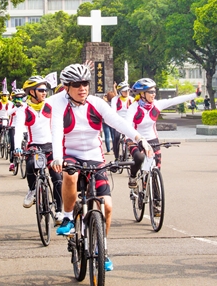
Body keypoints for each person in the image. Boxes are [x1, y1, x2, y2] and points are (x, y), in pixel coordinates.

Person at [49, 63, 152, 272]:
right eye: (76, 84)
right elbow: (57, 130)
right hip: (71, 155)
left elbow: (117, 122)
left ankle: (101, 248)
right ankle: (68, 217)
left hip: (95, 157)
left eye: (85, 83)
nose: (82, 88)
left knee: (107, 206)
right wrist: (58, 158)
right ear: (66, 87)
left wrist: (139, 138)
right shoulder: (60, 105)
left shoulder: (96, 103)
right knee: (70, 176)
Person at [125, 78, 200, 190]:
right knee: (139, 157)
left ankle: (155, 201)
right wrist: (132, 139)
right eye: (150, 92)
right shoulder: (133, 108)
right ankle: (133, 176)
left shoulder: (157, 105)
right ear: (142, 94)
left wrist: (195, 94)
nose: (153, 94)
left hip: (152, 139)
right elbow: (126, 126)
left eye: (154, 91)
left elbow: (176, 100)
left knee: (156, 169)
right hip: (135, 139)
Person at [13, 77, 64, 223]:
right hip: (34, 146)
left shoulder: (49, 104)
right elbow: (18, 129)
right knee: (30, 165)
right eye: (41, 90)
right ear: (31, 92)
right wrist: (17, 147)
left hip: (51, 146)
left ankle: (59, 211)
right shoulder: (23, 109)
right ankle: (32, 191)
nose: (44, 93)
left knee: (57, 178)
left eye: (45, 90)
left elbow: (64, 92)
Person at [109, 81, 134, 160]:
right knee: (116, 138)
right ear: (120, 91)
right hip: (118, 122)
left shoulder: (132, 99)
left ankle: (132, 152)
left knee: (133, 137)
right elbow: (113, 111)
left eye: (128, 90)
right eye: (124, 91)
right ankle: (116, 156)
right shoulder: (115, 99)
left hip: (129, 122)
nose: (127, 92)